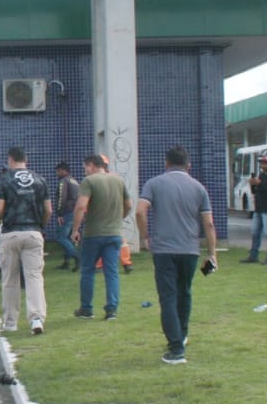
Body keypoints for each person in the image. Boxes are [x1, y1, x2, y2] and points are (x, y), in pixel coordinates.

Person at [136, 146, 218, 366]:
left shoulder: (154, 183)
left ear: (166, 163)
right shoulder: (199, 188)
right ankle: (181, 334)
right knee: (185, 292)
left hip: (163, 249)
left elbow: (140, 211)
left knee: (168, 297)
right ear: (188, 165)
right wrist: (212, 254)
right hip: (190, 250)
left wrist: (145, 237)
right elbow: (208, 224)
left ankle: (176, 349)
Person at [0, 146, 50, 335]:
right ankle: (36, 319)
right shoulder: (40, 180)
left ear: (10, 159)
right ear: (26, 160)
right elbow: (48, 210)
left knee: (10, 279)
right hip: (34, 232)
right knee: (34, 278)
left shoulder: (3, 180)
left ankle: (10, 323)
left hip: (11, 233)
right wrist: (40, 225)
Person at [71, 153, 132, 321]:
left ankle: (86, 308)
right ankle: (111, 309)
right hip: (114, 233)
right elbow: (129, 205)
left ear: (91, 165)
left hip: (93, 234)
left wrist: (75, 230)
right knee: (111, 272)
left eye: (85, 168)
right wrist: (118, 219)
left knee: (88, 271)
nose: (84, 172)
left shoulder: (89, 181)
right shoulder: (118, 180)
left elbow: (81, 207)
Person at [240, 149, 267, 264]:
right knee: (254, 232)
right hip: (258, 209)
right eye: (261, 163)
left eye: (264, 163)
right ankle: (253, 255)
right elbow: (256, 191)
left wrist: (259, 183)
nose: (261, 165)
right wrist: (253, 184)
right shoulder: (262, 175)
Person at [54, 162, 80, 271]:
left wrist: (59, 213)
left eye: (58, 171)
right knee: (69, 237)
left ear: (64, 170)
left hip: (67, 212)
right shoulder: (74, 181)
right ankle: (66, 262)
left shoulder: (63, 181)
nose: (57, 173)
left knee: (61, 237)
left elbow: (62, 198)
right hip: (75, 212)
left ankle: (77, 257)